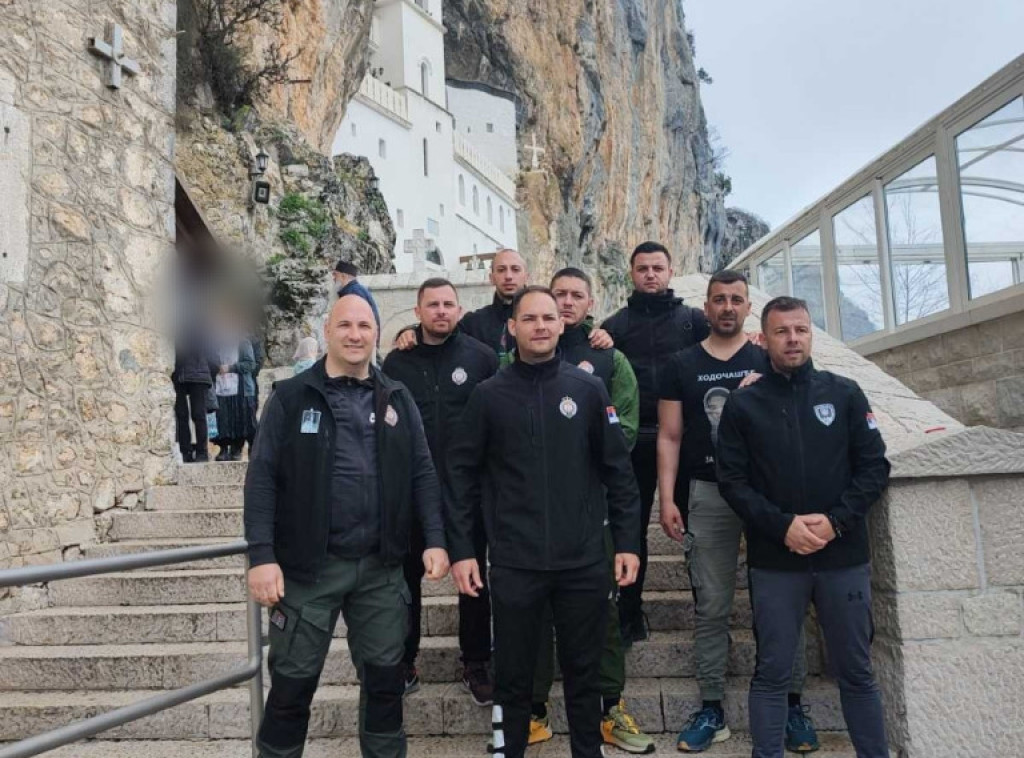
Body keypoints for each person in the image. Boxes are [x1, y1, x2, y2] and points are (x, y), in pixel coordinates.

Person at [244, 294, 450, 758]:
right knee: (291, 690)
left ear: (376, 333)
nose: (355, 335)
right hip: (308, 572)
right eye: (345, 325)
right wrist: (261, 556)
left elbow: (422, 473)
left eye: (364, 326)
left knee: (385, 687)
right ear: (327, 331)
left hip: (381, 570)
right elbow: (261, 479)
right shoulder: (291, 397)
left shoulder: (398, 398)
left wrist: (436, 539)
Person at [447, 286, 642, 758]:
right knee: (514, 678)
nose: (540, 326)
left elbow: (618, 472)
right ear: (512, 327)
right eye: (530, 318)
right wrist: (463, 551)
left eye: (548, 318)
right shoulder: (488, 396)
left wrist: (627, 543)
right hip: (516, 563)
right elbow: (460, 478)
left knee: (584, 675)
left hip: (582, 562)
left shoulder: (588, 390)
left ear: (561, 324)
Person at [716, 296, 891, 758]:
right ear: (763, 338)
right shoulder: (743, 405)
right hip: (776, 561)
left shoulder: (845, 393)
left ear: (811, 334)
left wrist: (836, 522)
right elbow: (732, 482)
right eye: (781, 331)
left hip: (843, 558)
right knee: (772, 672)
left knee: (857, 671)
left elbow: (874, 468)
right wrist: (782, 527)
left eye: (800, 330)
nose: (792, 339)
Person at [657, 271, 817, 753]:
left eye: (736, 299)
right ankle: (711, 706)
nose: (728, 307)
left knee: (784, 602)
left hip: (769, 494)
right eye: (719, 299)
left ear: (749, 308)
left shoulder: (769, 358)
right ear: (705, 307)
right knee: (712, 604)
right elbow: (670, 434)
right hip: (708, 492)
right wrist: (667, 497)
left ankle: (792, 704)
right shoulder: (681, 363)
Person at [526, 267, 652, 755]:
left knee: (602, 612)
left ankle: (609, 708)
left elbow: (623, 433)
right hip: (531, 516)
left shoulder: (609, 359)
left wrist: (568, 458)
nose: (566, 302)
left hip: (591, 511)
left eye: (576, 295)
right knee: (532, 614)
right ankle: (533, 710)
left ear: (589, 303)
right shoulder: (516, 358)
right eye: (558, 294)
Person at [380, 278, 499, 705]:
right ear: (418, 312)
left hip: (468, 490)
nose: (441, 311)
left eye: (448, 304)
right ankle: (404, 660)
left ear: (459, 310)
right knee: (406, 577)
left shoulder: (482, 358)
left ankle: (476, 662)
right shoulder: (397, 362)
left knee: (473, 578)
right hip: (413, 491)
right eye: (433, 305)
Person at [601, 241, 710, 644]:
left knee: (698, 531)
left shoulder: (694, 322)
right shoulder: (614, 327)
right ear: (631, 273)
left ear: (670, 271)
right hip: (632, 444)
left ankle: (707, 614)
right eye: (643, 268)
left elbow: (724, 351)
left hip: (685, 443)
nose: (650, 274)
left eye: (657, 268)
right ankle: (629, 615)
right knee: (630, 532)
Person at [393, 249, 613, 361]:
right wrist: (411, 332)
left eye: (515, 270)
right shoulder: (474, 323)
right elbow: (441, 330)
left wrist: (596, 332)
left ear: (526, 275)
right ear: (491, 277)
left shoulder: (545, 322)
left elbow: (573, 332)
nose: (508, 276)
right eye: (501, 270)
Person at [212, 324, 259, 462]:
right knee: (223, 419)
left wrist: (231, 368)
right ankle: (223, 448)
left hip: (241, 389)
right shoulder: (215, 345)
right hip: (221, 388)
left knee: (240, 419)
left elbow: (250, 364)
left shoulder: (243, 343)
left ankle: (237, 448)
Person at [172, 329, 216, 463]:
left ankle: (199, 452)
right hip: (184, 375)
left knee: (195, 414)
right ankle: (189, 451)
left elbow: (212, 355)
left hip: (195, 375)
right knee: (184, 415)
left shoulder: (199, 330)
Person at [333, 259, 382, 337]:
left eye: (335, 275)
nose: (334, 278)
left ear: (343, 276)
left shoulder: (354, 292)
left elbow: (359, 319)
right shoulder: (356, 289)